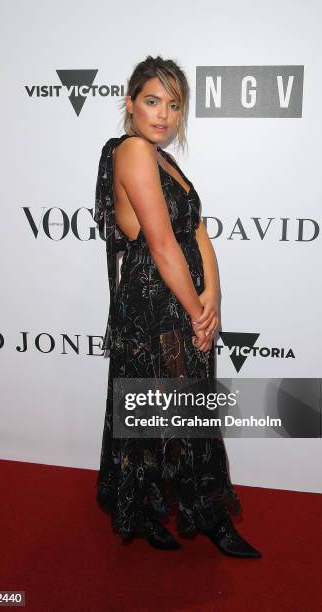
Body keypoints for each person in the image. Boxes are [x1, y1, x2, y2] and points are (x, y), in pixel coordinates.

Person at [93, 55, 261, 558]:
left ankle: (182, 512)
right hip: (155, 305)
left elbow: (197, 230)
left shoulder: (166, 159)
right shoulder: (132, 152)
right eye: (151, 100)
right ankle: (168, 513)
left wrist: (214, 294)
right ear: (129, 103)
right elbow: (163, 246)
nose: (163, 114)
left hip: (184, 298)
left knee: (185, 414)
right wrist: (197, 310)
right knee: (162, 413)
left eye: (173, 104)